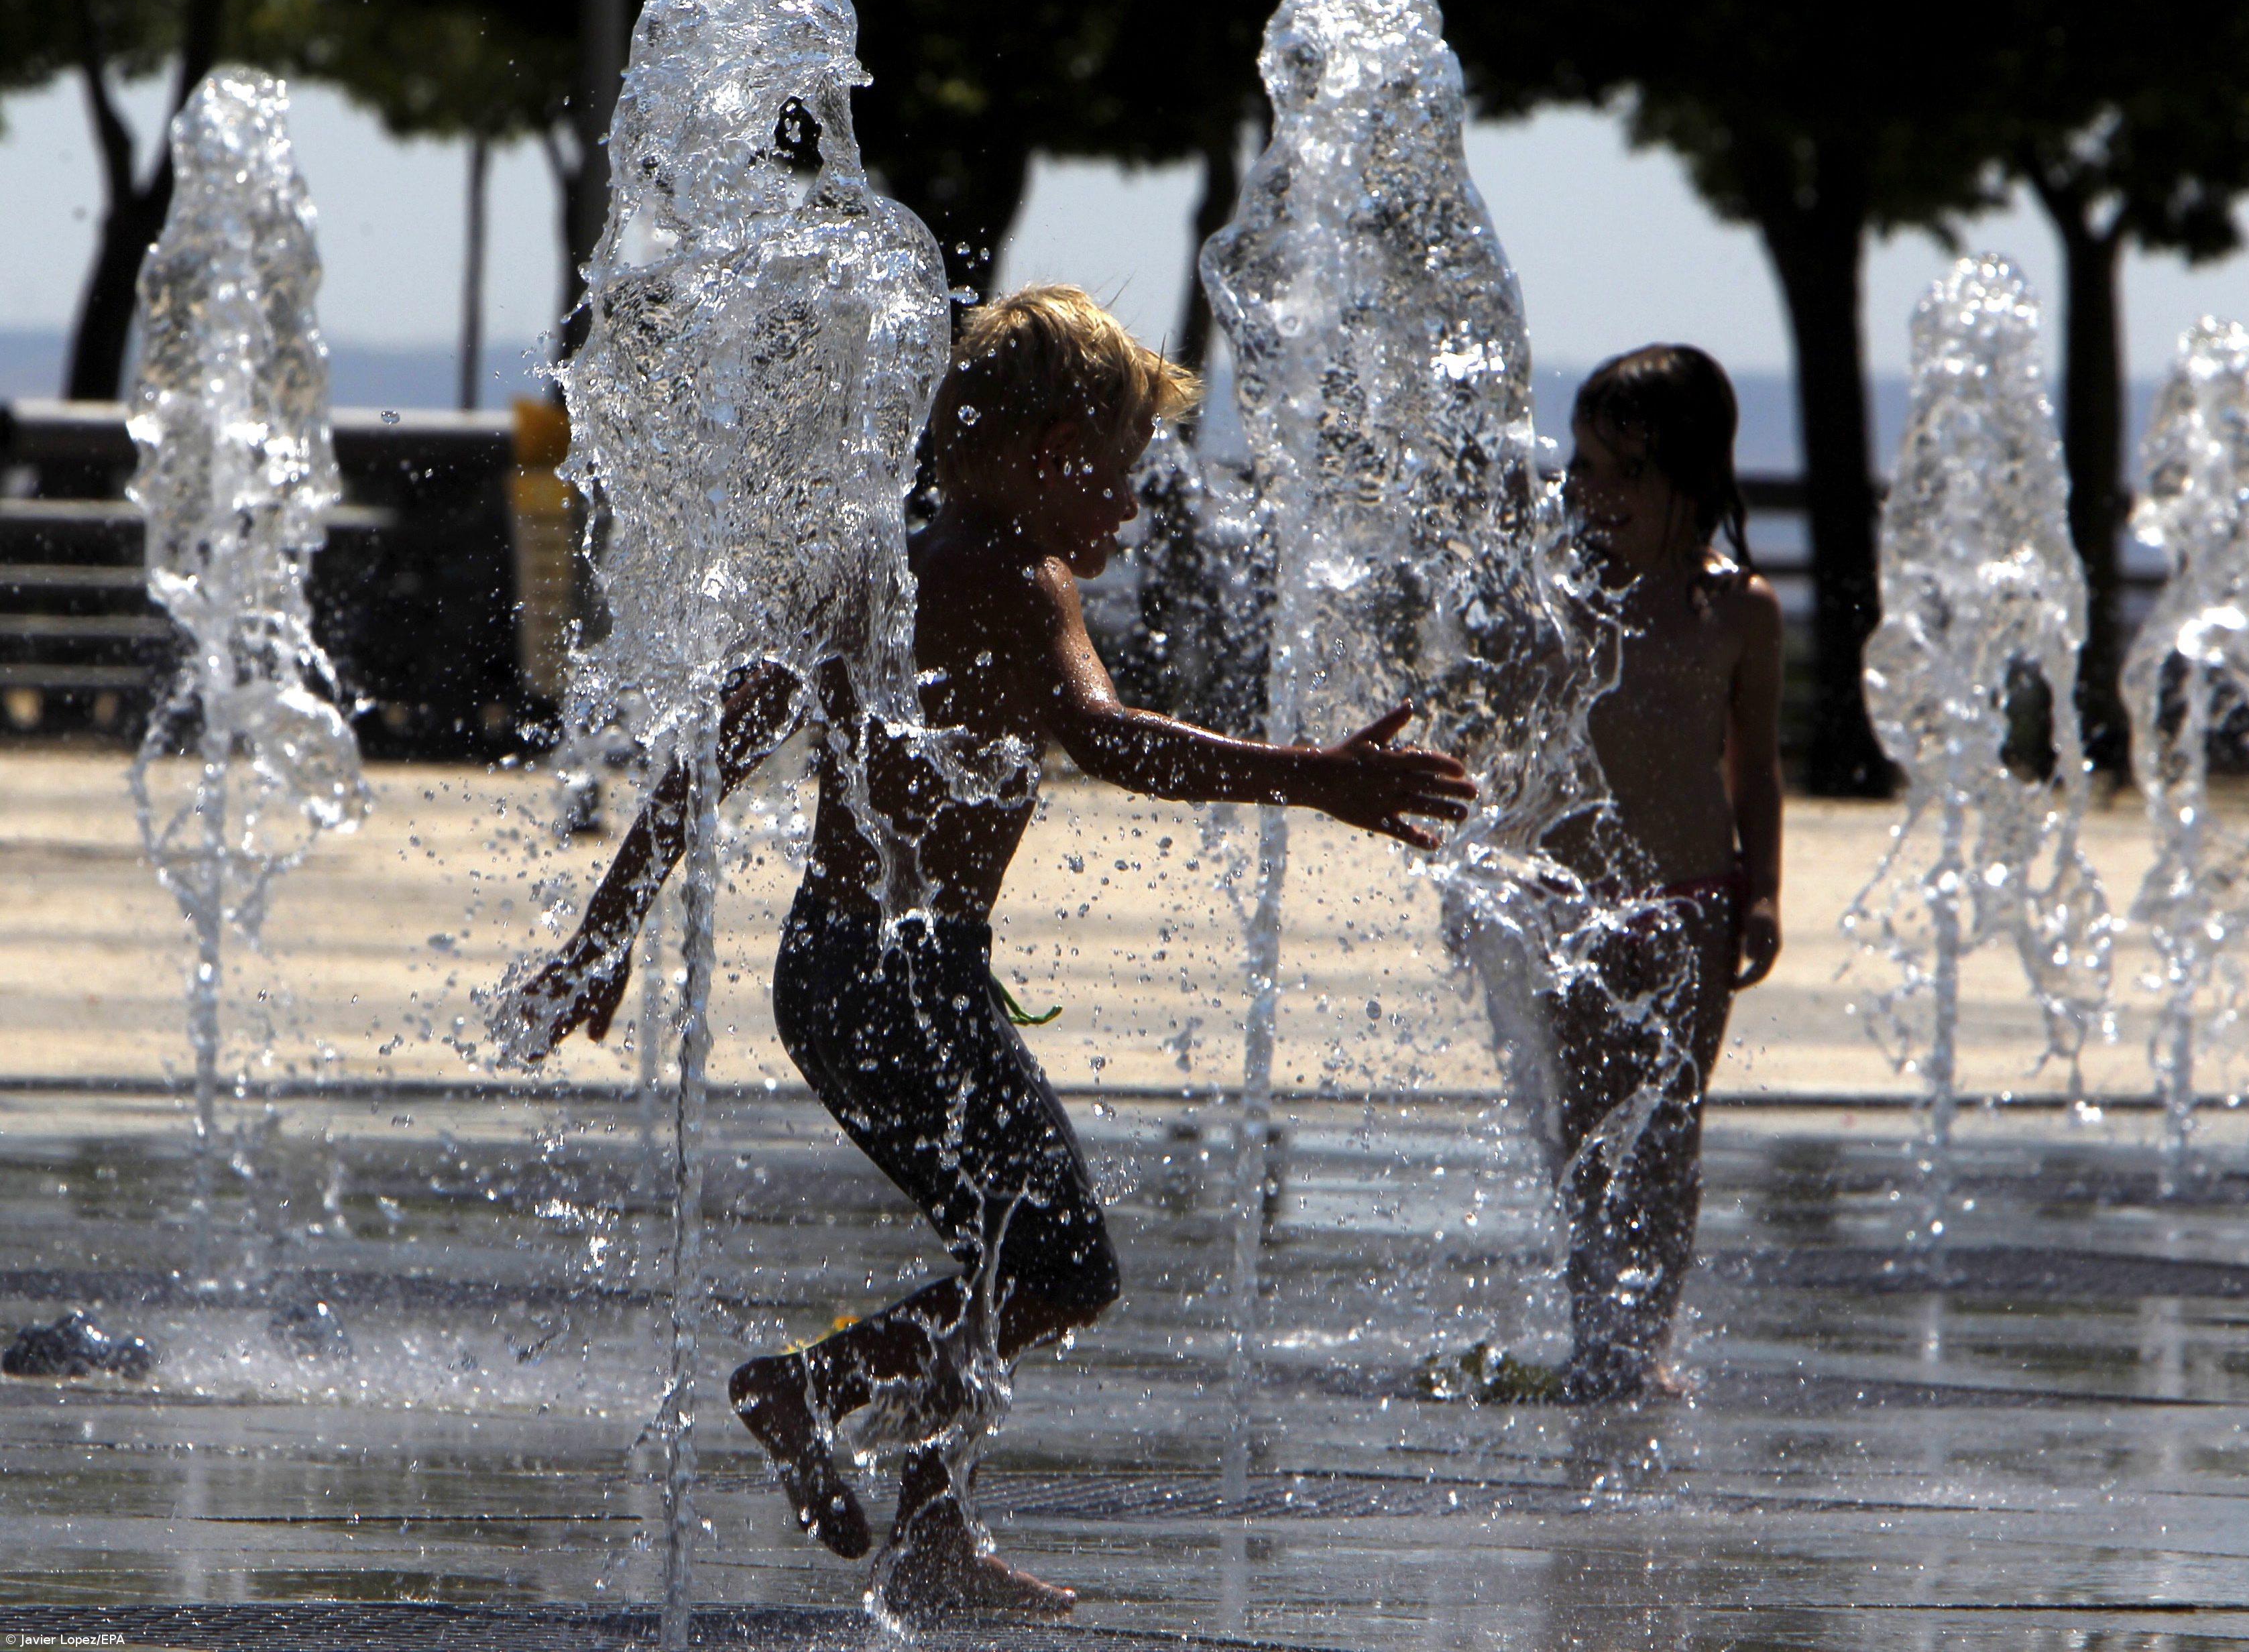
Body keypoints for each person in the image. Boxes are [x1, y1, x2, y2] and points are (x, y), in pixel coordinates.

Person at [500, 286, 1476, 1620]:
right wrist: (1314, 774)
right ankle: (814, 1388)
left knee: (1006, 1252)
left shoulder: (875, 566)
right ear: (1039, 450)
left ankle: (930, 1535)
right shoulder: (1022, 578)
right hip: (908, 980)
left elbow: (708, 751)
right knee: (1062, 1265)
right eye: (1119, 474)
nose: (1128, 510)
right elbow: (1114, 735)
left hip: (833, 969)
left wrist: (604, 935)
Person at [1440, 344, 1783, 1407]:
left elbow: (1756, 770)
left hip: (1693, 908)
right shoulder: (1563, 605)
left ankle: (1648, 1346)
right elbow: (1490, 715)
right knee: (1590, 1130)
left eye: (1623, 472)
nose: (1593, 493)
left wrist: (1762, 891)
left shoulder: (1739, 614)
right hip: (1572, 911)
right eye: (1582, 466)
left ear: (1694, 477)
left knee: (1668, 1132)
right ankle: (1601, 1328)